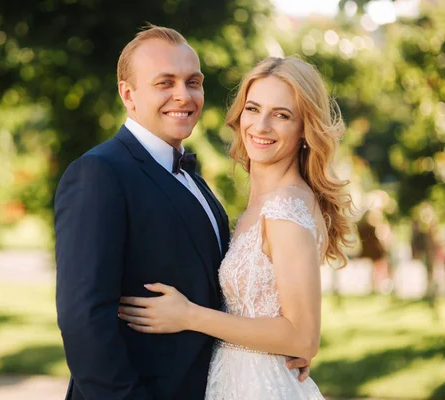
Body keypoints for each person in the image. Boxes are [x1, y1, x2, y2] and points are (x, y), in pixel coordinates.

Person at [55, 26, 309, 400]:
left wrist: (279, 347)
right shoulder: (100, 173)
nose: (183, 95)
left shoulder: (196, 181)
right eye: (165, 82)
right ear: (128, 94)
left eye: (193, 82)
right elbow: (85, 322)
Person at [118, 56, 355, 399]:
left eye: (282, 115)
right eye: (253, 109)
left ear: (306, 129)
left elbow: (303, 338)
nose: (261, 126)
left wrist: (188, 315)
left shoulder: (285, 208)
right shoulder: (262, 204)